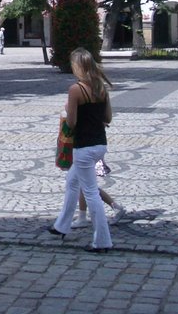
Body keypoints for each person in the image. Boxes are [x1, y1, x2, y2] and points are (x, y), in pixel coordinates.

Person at [48, 47, 114, 253]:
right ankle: (61, 226)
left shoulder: (76, 89)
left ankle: (102, 240)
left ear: (78, 66)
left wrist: (68, 110)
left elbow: (73, 122)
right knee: (72, 182)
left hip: (83, 147)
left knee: (91, 192)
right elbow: (108, 118)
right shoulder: (101, 88)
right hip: (100, 143)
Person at [71, 159, 127, 228]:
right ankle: (116, 207)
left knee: (85, 185)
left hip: (86, 155)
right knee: (86, 185)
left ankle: (83, 217)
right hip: (89, 154)